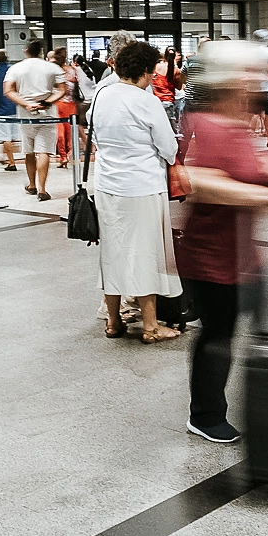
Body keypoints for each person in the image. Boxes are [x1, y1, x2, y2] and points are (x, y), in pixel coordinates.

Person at [178, 41, 268, 442]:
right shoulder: (209, 123)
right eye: (248, 74)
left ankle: (263, 403)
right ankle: (206, 414)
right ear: (228, 81)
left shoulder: (237, 124)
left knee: (248, 330)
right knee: (218, 334)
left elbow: (242, 171)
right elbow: (202, 183)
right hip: (213, 258)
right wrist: (264, 193)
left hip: (244, 255)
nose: (257, 82)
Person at [87, 40, 183, 343]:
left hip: (106, 186)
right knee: (144, 254)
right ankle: (151, 327)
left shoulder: (102, 95)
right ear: (143, 71)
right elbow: (169, 148)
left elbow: (95, 135)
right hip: (141, 187)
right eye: (152, 72)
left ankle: (113, 321)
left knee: (112, 252)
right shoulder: (146, 101)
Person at [4, 39, 66, 201]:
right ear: (41, 51)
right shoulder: (53, 68)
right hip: (48, 115)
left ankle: (32, 185)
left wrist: (27, 103)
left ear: (26, 50)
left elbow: (8, 90)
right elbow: (62, 90)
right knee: (43, 151)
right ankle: (42, 189)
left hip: (25, 115)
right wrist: (47, 102)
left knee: (29, 151)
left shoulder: (16, 68)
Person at [53, 46, 78, 168]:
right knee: (69, 133)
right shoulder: (72, 71)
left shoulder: (54, 71)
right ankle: (66, 156)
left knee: (61, 133)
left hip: (58, 104)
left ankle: (64, 157)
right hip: (70, 105)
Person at [152, 46, 183, 129]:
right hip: (168, 100)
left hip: (156, 100)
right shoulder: (176, 70)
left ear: (164, 55)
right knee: (170, 125)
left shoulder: (156, 66)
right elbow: (179, 87)